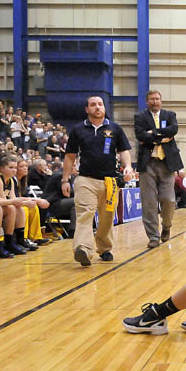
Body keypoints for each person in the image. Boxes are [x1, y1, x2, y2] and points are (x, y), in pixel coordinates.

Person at [62, 96, 134, 266]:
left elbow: (123, 151)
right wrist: (65, 180)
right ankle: (83, 250)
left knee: (107, 217)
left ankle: (105, 248)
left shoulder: (114, 128)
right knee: (84, 215)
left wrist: (128, 166)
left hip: (110, 181)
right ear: (87, 109)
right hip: (85, 179)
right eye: (93, 105)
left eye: (100, 104)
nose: (97, 107)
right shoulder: (78, 129)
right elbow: (70, 156)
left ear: (104, 107)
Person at [134, 90, 184, 249]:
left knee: (168, 199)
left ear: (161, 101)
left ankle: (167, 226)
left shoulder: (170, 115)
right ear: (147, 101)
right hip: (147, 164)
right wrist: (162, 137)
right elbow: (140, 135)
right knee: (148, 203)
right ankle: (153, 236)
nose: (155, 102)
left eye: (157, 99)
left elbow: (173, 129)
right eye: (151, 99)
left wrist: (152, 134)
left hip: (167, 163)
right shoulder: (140, 117)